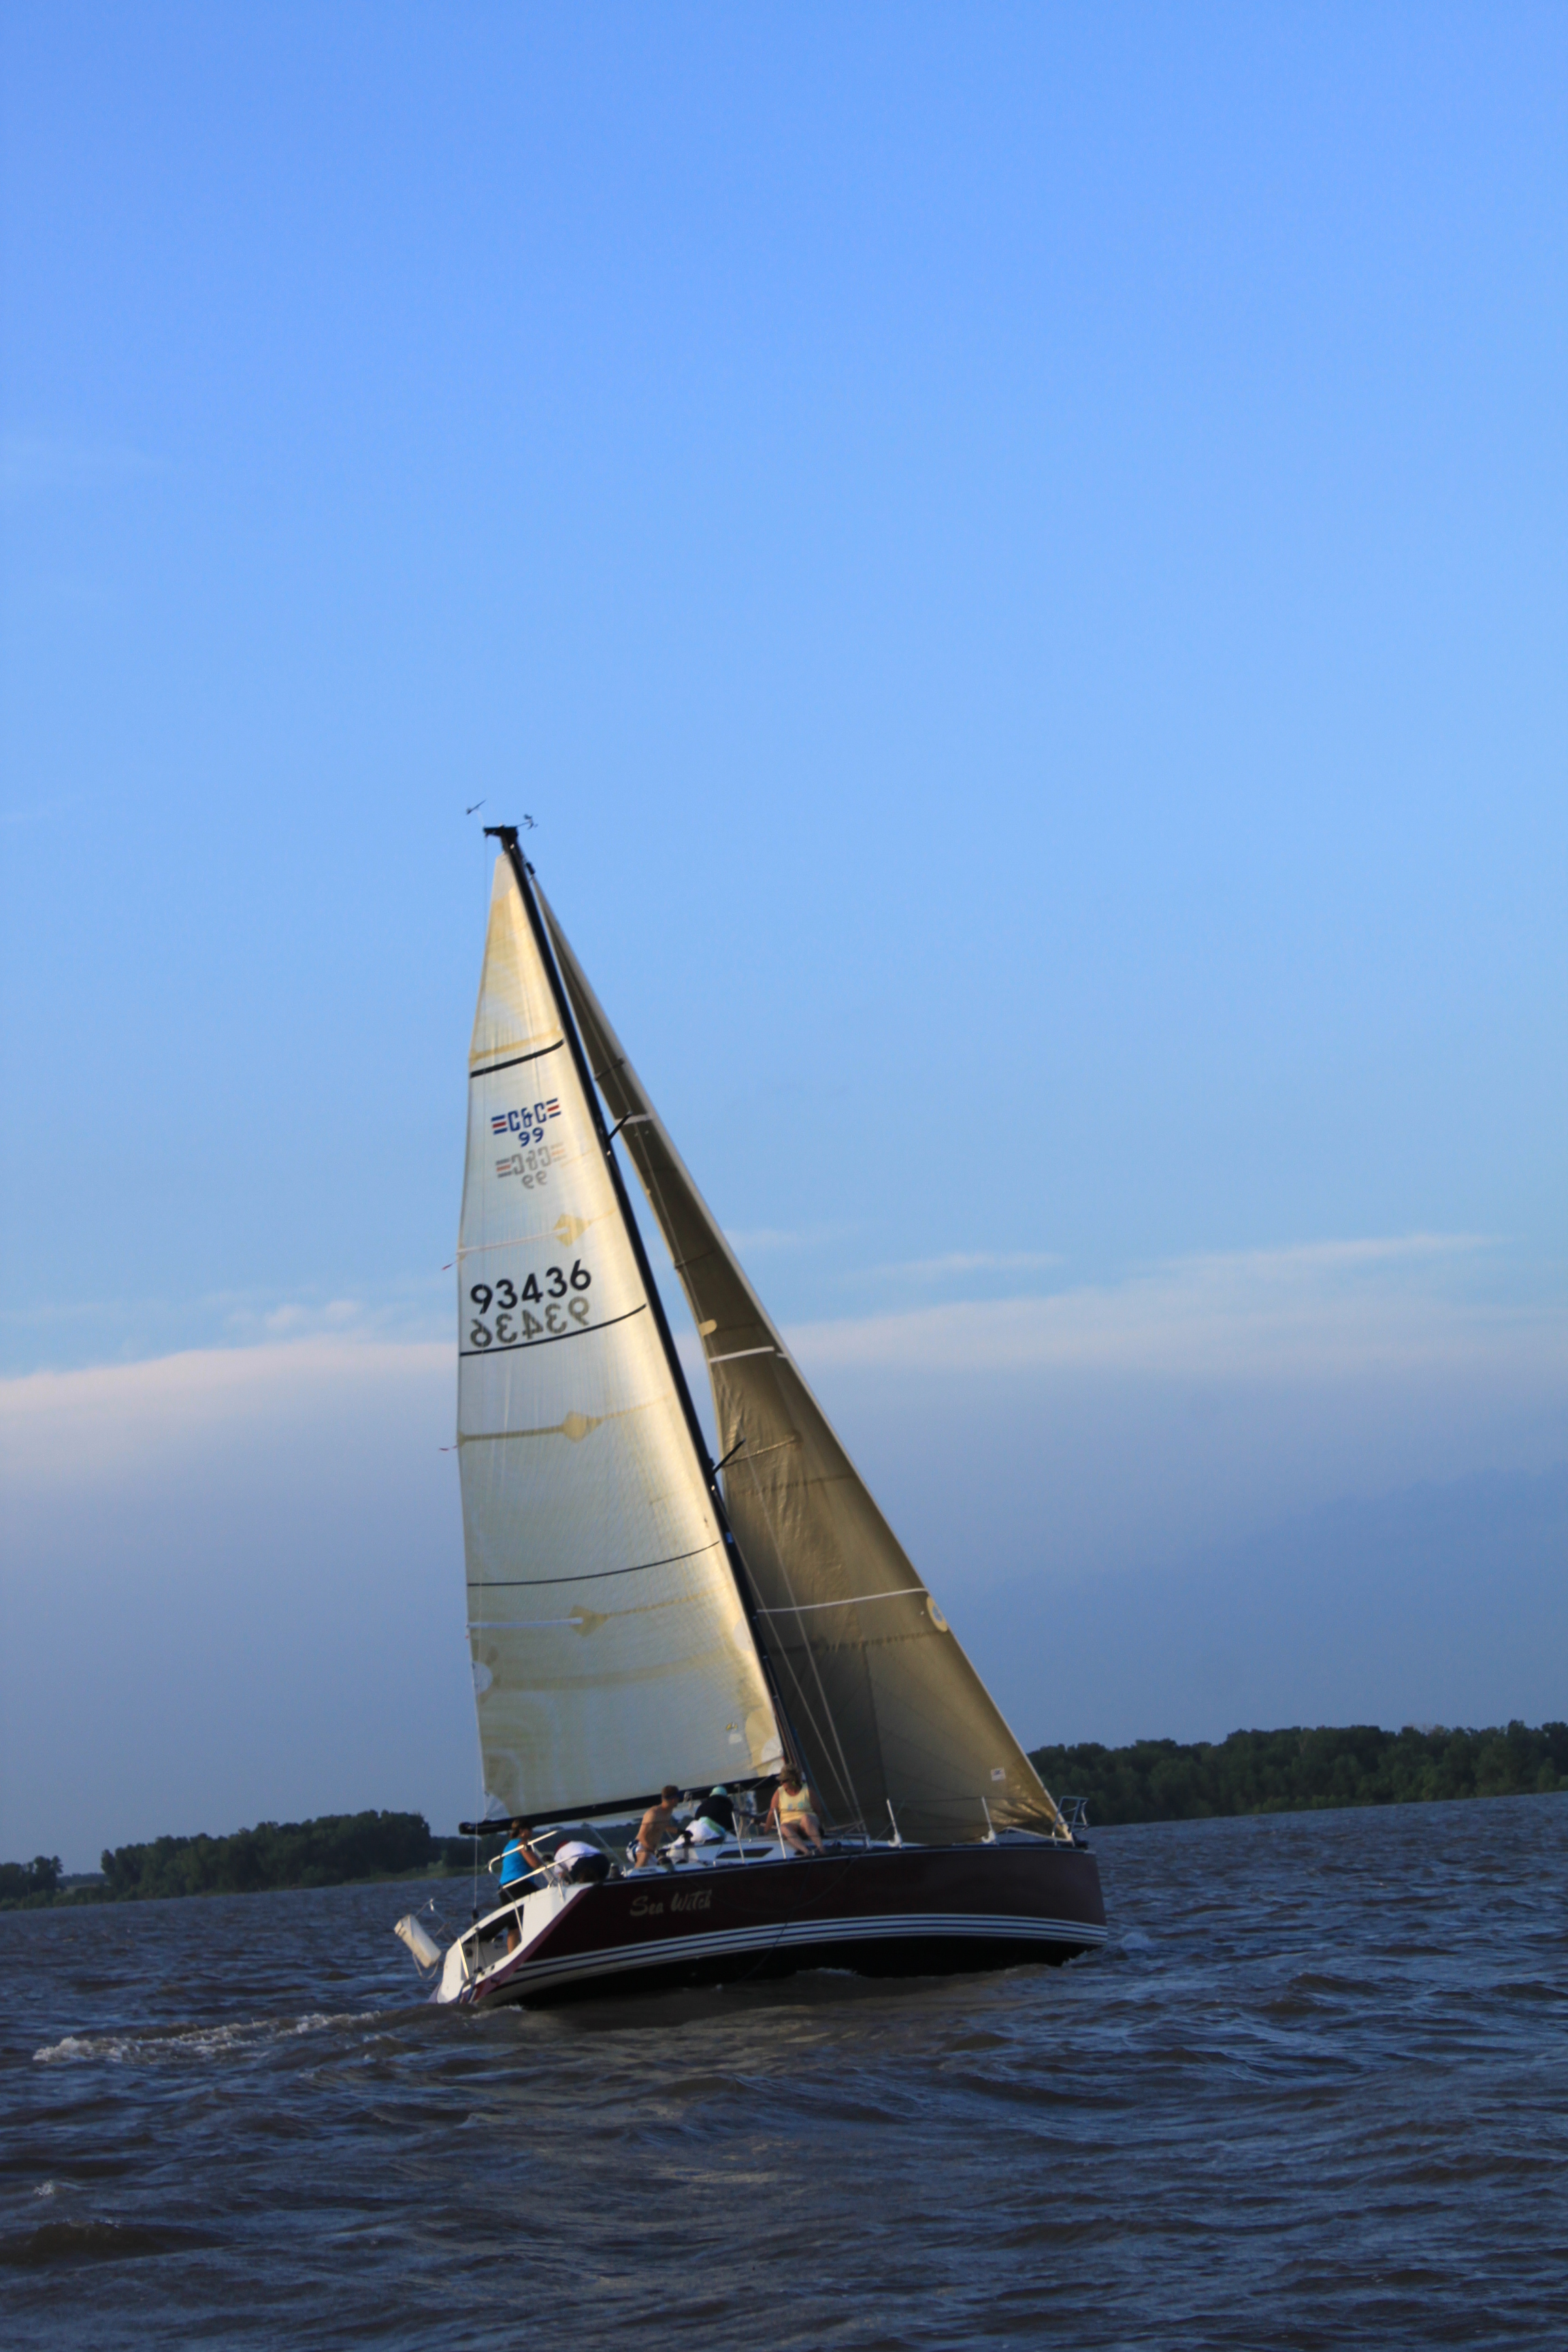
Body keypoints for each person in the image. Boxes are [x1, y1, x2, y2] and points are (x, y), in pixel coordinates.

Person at [767, 1769, 825, 1856]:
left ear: (793, 1780)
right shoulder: (779, 1793)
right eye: (781, 1781)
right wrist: (765, 1832)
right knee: (783, 1827)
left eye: (784, 1781)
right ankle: (806, 1851)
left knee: (806, 1818)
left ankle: (822, 1849)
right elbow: (772, 1813)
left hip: (809, 1824)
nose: (781, 1783)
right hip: (792, 1827)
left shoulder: (808, 1791)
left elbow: (818, 1811)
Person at [633, 1785, 683, 1869]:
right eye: (678, 1798)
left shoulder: (669, 1811)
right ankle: (635, 1875)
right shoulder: (653, 1814)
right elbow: (641, 1837)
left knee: (664, 1865)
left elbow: (665, 1827)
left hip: (651, 1850)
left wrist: (682, 1832)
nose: (679, 1801)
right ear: (673, 1800)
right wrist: (654, 1851)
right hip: (638, 1846)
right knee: (645, 1855)